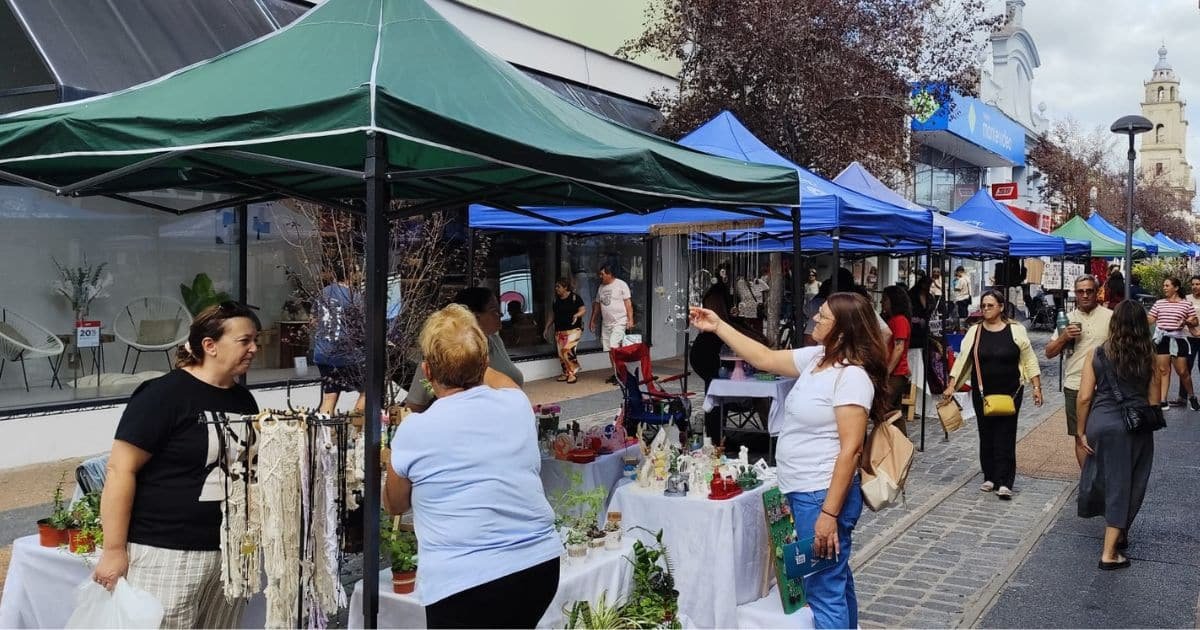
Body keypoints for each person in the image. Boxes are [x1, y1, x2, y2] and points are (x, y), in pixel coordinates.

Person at [689, 293, 888, 629]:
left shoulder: (851, 376)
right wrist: (718, 325)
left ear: (842, 329)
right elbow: (765, 358)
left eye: (823, 316)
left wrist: (829, 514)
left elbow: (851, 450)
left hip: (820, 494)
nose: (815, 320)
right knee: (834, 579)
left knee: (822, 589)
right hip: (804, 489)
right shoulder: (817, 358)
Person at [386, 304, 560, 627]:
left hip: (462, 582)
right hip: (537, 567)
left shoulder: (415, 430)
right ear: (485, 362)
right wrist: (472, 359)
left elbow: (394, 504)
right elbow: (506, 382)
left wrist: (390, 461)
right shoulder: (515, 403)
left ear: (427, 372)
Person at [91, 302, 261, 628]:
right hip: (167, 551)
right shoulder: (164, 395)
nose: (254, 348)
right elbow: (120, 469)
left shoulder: (244, 400)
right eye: (245, 340)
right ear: (210, 345)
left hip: (228, 550)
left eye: (256, 340)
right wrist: (114, 549)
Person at [1075, 300, 1158, 570]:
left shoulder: (1097, 353)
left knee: (1107, 478)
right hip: (1133, 427)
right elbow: (1154, 399)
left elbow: (1084, 397)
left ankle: (1117, 532)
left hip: (1100, 421)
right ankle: (1109, 553)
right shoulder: (1149, 355)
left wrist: (1081, 431)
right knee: (1129, 483)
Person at [944, 290, 1043, 500]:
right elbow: (963, 360)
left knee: (1006, 434)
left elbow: (1029, 359)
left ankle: (1005, 481)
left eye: (990, 305)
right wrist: (952, 385)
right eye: (983, 305)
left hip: (1011, 391)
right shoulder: (975, 331)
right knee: (986, 433)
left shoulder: (1016, 330)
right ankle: (989, 475)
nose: (986, 309)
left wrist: (1036, 387)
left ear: (1001, 307)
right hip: (983, 391)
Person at [405, 287, 524, 413]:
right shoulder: (442, 355)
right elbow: (414, 406)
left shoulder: (495, 341)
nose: (501, 314)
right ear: (475, 317)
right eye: (494, 311)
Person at [1045, 275, 1112, 468]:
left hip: (1105, 386)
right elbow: (1049, 353)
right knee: (1080, 436)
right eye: (1080, 291)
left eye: (1089, 291)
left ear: (1097, 292)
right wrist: (1063, 337)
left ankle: (1104, 477)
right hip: (1075, 384)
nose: (1085, 295)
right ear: (1075, 293)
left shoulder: (1110, 316)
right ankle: (1086, 480)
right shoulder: (1068, 319)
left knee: (1105, 435)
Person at [690, 286, 770, 440]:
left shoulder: (730, 298)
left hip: (724, 354)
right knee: (716, 388)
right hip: (711, 356)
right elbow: (724, 322)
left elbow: (738, 323)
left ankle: (768, 433)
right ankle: (715, 437)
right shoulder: (715, 296)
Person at [313, 263, 365, 415]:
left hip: (322, 351)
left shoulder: (323, 292)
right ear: (350, 274)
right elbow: (361, 326)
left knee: (330, 395)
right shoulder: (354, 297)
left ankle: (325, 428)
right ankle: (355, 427)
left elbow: (314, 319)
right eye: (357, 271)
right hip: (344, 353)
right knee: (369, 390)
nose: (360, 274)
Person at [1147, 277, 1199, 410]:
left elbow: (1195, 321)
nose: (1164, 288)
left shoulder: (1186, 304)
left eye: (1167, 285)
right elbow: (1151, 319)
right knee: (1163, 370)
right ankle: (1163, 400)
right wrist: (1138, 318)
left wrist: (1186, 321)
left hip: (1178, 339)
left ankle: (1192, 396)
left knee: (1183, 371)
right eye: (1164, 285)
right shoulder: (1159, 303)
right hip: (1162, 339)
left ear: (1176, 288)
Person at [881, 286, 913, 433]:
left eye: (885, 299)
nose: (882, 302)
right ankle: (902, 442)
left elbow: (899, 348)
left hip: (896, 372)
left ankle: (889, 441)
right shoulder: (894, 320)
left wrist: (887, 371)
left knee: (882, 408)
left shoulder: (899, 320)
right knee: (893, 411)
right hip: (897, 372)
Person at [588, 263, 634, 352]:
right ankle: (615, 362)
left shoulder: (621, 284)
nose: (600, 276)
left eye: (602, 274)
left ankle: (618, 361)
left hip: (619, 322)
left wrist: (630, 320)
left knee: (614, 345)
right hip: (606, 324)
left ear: (609, 274)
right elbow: (597, 305)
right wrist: (593, 320)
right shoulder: (601, 287)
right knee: (607, 348)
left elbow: (628, 304)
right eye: (600, 274)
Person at [549, 279, 585, 384]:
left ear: (565, 287)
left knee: (567, 350)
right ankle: (565, 372)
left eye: (558, 287)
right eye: (556, 287)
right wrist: (547, 327)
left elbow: (583, 310)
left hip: (574, 330)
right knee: (561, 354)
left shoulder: (575, 298)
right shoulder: (556, 300)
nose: (556, 289)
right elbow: (553, 315)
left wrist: (576, 315)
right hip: (560, 331)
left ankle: (572, 373)